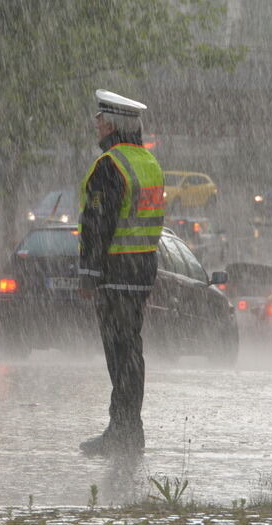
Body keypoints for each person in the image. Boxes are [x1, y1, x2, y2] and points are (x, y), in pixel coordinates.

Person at [77, 89, 165, 456]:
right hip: (141, 270)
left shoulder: (110, 165)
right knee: (131, 351)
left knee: (119, 353)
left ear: (112, 124)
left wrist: (89, 272)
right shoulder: (148, 163)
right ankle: (130, 430)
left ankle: (122, 432)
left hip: (115, 272)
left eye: (99, 119)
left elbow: (98, 224)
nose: (95, 124)